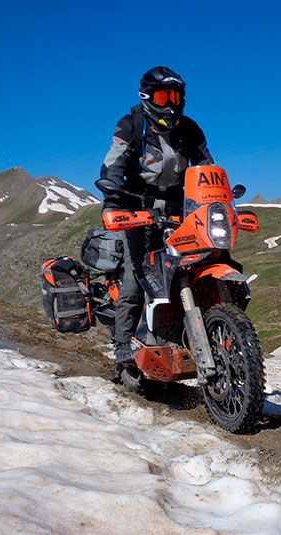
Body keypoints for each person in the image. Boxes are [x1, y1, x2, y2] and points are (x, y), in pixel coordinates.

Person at [99, 66, 215, 365]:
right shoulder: (132, 125)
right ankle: (124, 345)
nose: (170, 104)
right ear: (147, 96)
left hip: (179, 208)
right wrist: (112, 199)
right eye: (164, 96)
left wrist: (215, 197)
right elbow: (113, 165)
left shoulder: (189, 128)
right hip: (137, 207)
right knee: (138, 276)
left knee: (204, 261)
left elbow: (205, 166)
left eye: (176, 97)